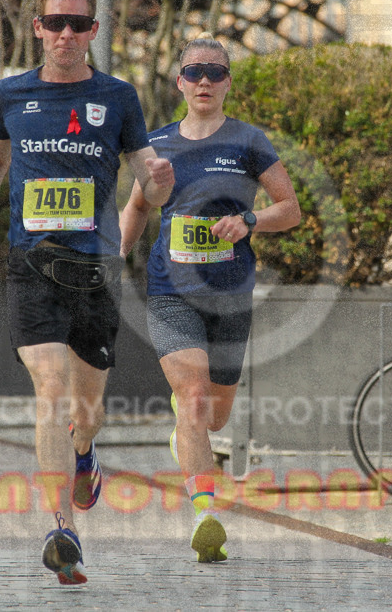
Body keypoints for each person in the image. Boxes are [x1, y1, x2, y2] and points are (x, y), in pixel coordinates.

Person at [0, 0, 174, 586]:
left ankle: (86, 453)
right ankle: (61, 529)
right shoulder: (11, 94)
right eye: (55, 23)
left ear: (93, 31)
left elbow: (145, 172)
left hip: (94, 270)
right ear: (38, 29)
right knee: (50, 389)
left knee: (86, 409)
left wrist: (158, 182)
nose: (66, 34)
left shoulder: (118, 98)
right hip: (32, 266)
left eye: (78, 24)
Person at [119, 34, 301, 563]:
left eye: (215, 73)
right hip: (171, 291)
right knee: (196, 398)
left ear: (227, 83)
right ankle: (205, 513)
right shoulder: (156, 146)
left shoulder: (248, 141)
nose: (204, 81)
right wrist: (115, 258)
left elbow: (289, 208)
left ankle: (188, 423)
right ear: (179, 81)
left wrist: (249, 221)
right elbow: (136, 208)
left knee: (215, 416)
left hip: (229, 298)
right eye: (194, 72)